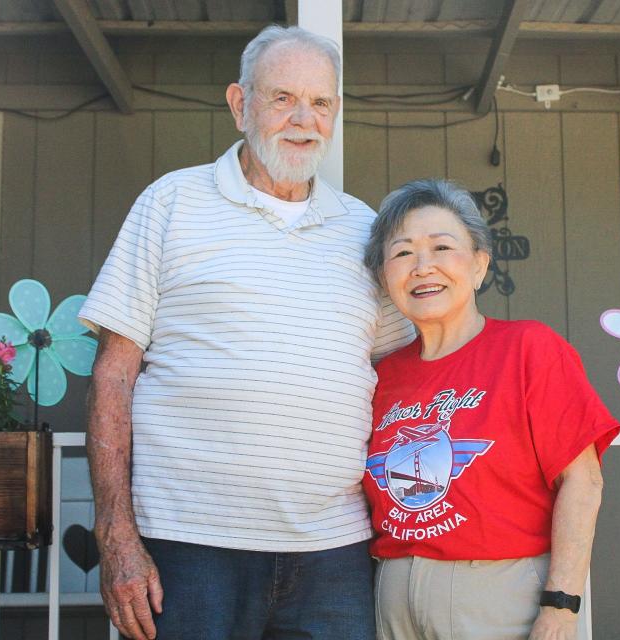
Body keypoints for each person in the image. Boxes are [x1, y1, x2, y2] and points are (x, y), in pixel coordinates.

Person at [79, 26, 413, 640]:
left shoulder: (365, 230)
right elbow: (113, 374)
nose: (303, 119)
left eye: (321, 102)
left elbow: (403, 380)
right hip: (187, 546)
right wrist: (116, 535)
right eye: (282, 97)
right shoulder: (171, 203)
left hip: (334, 552)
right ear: (239, 105)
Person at [362, 179, 620, 640]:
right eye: (402, 253)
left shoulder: (528, 349)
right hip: (394, 599)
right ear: (385, 278)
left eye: (442, 247)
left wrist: (561, 606)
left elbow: (583, 481)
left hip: (499, 598)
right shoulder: (383, 377)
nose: (423, 266)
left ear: (480, 265)